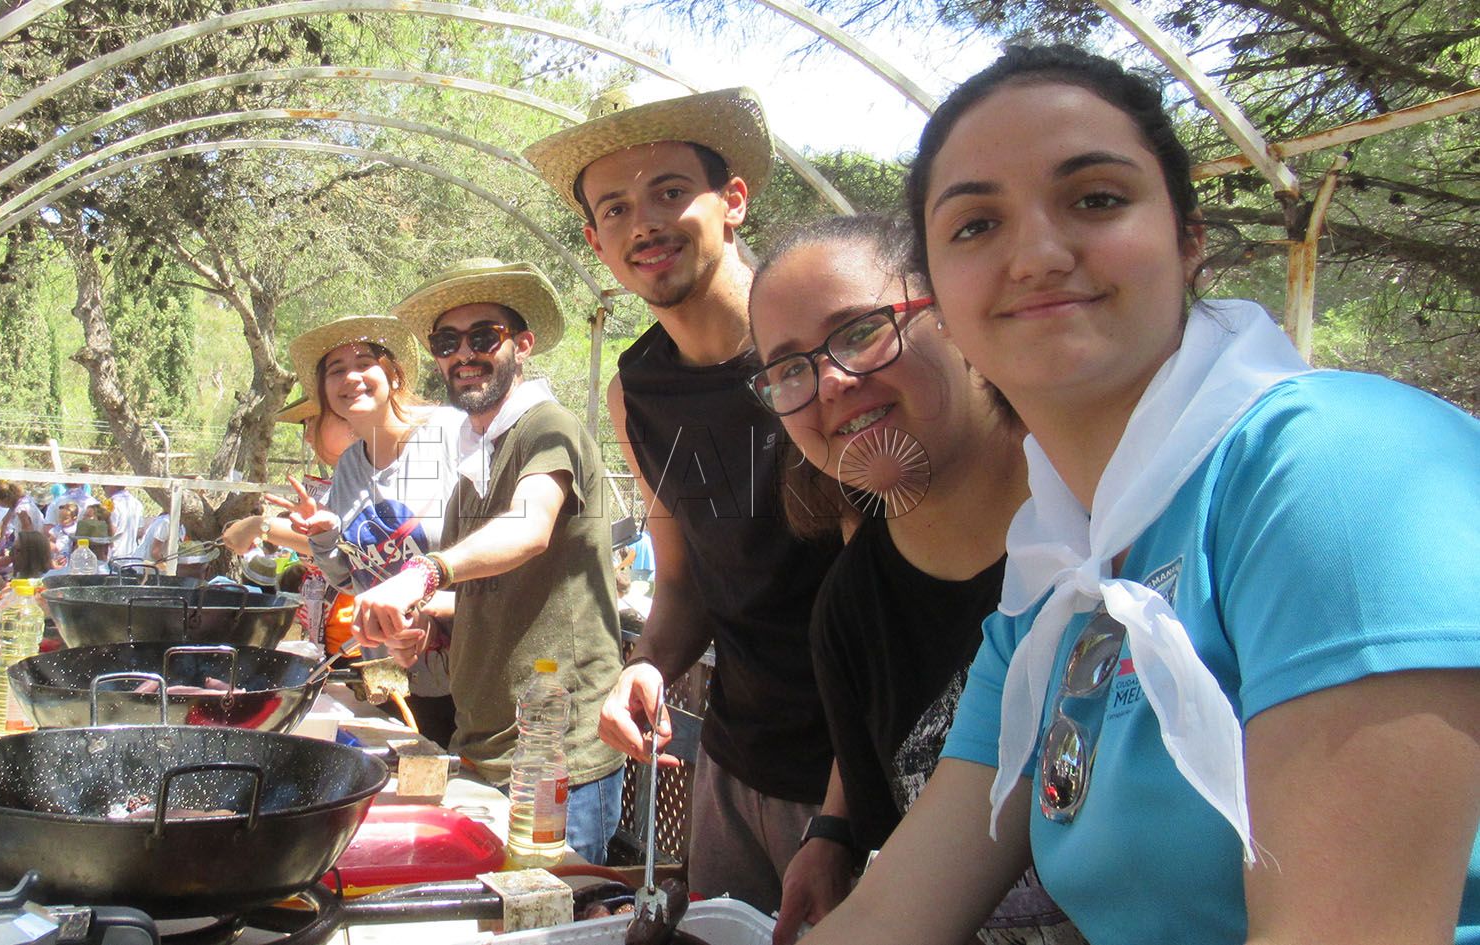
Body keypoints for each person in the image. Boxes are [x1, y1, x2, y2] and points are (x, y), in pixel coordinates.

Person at [802, 45, 1480, 945]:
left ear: (1188, 238)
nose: (1037, 255)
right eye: (976, 225)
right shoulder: (1054, 582)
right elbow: (894, 912)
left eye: (1096, 199)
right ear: (939, 305)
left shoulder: (1335, 469)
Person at [525, 83, 842, 911]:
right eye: (617, 209)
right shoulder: (636, 392)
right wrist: (647, 663)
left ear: (732, 200)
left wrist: (850, 813)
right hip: (733, 765)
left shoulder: (823, 353)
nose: (645, 224)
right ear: (596, 242)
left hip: (856, 778)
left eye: (670, 192)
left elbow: (895, 597)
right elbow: (684, 578)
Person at [747, 215, 1080, 944]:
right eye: (790, 369)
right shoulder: (851, 612)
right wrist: (832, 830)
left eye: (861, 330)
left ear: (955, 316)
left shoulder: (1108, 532)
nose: (831, 380)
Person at [330, 259, 625, 865]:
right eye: (447, 343)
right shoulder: (474, 458)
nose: (463, 354)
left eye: (483, 337)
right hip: (485, 741)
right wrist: (424, 619)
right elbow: (493, 590)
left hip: (554, 750)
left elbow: (529, 528)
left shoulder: (548, 427)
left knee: (554, 906)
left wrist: (421, 574)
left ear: (523, 345)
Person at [259, 314, 464, 748]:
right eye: (336, 370)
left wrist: (432, 607)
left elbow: (498, 561)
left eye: (364, 363)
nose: (350, 377)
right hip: (392, 677)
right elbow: (352, 581)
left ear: (394, 375)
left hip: (466, 674)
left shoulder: (446, 436)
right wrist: (324, 535)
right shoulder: (351, 465)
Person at [106, 483, 144, 561]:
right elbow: (140, 532)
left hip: (114, 556)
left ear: (111, 485)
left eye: (104, 486)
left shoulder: (111, 503)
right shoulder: (137, 503)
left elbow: (110, 532)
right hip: (132, 556)